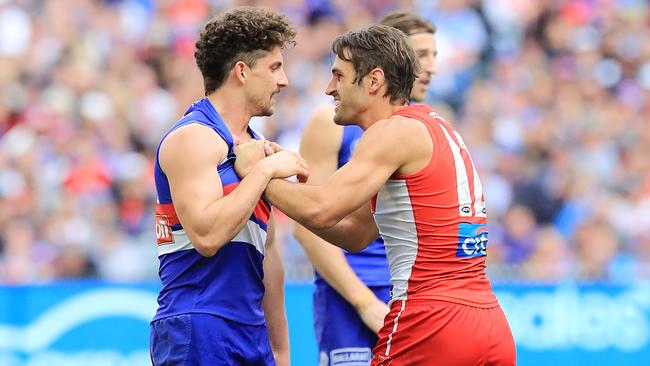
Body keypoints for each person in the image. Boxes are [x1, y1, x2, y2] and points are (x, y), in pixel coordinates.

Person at [235, 25, 516, 365]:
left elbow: (322, 209)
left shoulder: (391, 132)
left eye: (339, 76)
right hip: (488, 321)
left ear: (373, 80)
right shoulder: (435, 124)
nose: (329, 89)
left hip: (430, 320)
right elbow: (357, 235)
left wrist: (257, 173)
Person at [150, 7, 308, 366]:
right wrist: (263, 172)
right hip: (199, 322)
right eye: (274, 67)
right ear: (241, 71)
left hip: (251, 333)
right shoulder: (194, 138)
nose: (283, 80)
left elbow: (268, 253)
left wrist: (280, 351)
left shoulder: (254, 148)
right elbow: (207, 236)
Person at [293, 11, 438, 366]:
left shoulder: (427, 123)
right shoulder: (331, 122)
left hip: (413, 295)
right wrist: (363, 301)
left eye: (435, 56)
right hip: (351, 295)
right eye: (421, 56)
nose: (430, 68)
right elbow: (309, 226)